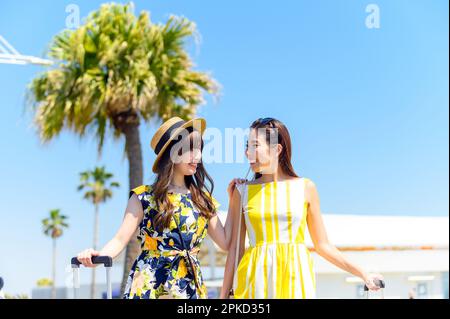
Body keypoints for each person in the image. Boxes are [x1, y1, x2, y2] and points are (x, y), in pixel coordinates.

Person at [220, 117, 384, 299]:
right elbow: (235, 250)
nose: (247, 152)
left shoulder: (305, 187)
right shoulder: (241, 191)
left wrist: (363, 273)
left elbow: (323, 245)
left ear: (277, 149)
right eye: (247, 146)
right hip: (254, 284)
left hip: (295, 280)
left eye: (254, 145)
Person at [76, 117, 239, 299]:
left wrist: (233, 202)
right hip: (149, 283)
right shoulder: (144, 196)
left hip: (188, 286)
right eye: (190, 149)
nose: (198, 156)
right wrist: (97, 256)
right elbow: (120, 240)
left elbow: (225, 243)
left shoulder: (202, 199)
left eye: (199, 149)